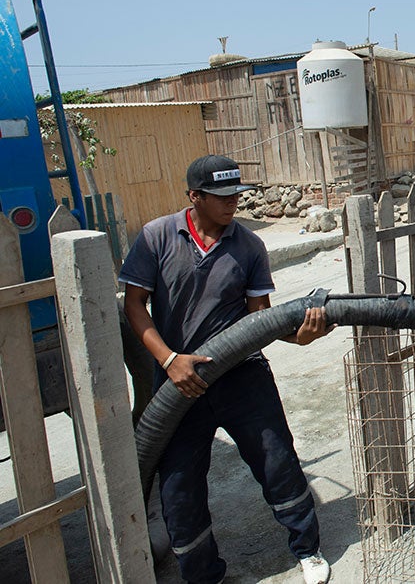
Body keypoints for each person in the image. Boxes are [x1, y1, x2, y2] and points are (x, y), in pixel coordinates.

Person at [120, 155, 332, 584]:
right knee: (179, 486)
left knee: (278, 462)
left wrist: (302, 336)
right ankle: (204, 576)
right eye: (220, 197)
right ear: (194, 197)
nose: (232, 203)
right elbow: (133, 305)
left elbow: (261, 319)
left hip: (242, 375)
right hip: (179, 382)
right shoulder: (157, 237)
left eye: (236, 194)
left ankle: (307, 550)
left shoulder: (248, 246)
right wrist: (168, 360)